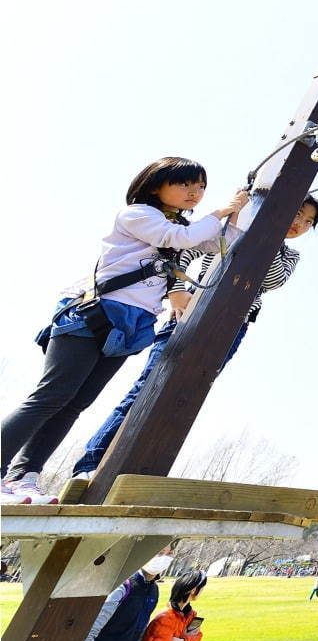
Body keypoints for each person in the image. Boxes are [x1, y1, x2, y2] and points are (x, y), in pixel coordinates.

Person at [1, 159, 248, 504]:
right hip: (92, 315)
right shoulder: (137, 215)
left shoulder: (180, 226)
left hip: (130, 326)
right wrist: (222, 210)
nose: (195, 193)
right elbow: (181, 237)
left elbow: (219, 247)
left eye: (201, 187)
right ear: (154, 186)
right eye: (185, 185)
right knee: (50, 397)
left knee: (75, 404)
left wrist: (233, 218)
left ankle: (24, 476)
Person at [73, 195, 318, 478]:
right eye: (297, 214)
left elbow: (271, 279)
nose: (299, 224)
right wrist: (177, 289)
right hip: (193, 312)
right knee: (148, 386)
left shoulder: (289, 255)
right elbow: (182, 252)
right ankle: (90, 464)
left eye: (308, 222)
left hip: (234, 325)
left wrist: (275, 236)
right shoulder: (233, 231)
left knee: (187, 394)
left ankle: (143, 470)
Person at [80, 554, 173, 641]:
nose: (163, 557)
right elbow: (91, 632)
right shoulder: (124, 585)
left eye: (169, 553)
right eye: (160, 553)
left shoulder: (154, 591)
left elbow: (138, 634)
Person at [136, 570, 206, 641]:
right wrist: (186, 639)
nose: (203, 591)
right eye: (202, 588)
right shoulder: (164, 619)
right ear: (193, 590)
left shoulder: (191, 615)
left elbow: (195, 640)